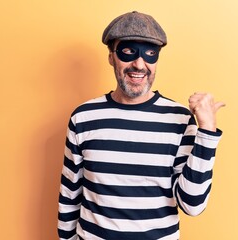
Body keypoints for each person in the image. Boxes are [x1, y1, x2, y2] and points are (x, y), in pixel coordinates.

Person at [57, 11, 225, 240]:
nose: (139, 64)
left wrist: (206, 131)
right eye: (128, 52)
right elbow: (70, 193)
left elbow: (192, 205)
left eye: (150, 54)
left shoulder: (180, 120)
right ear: (111, 57)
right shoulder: (83, 117)